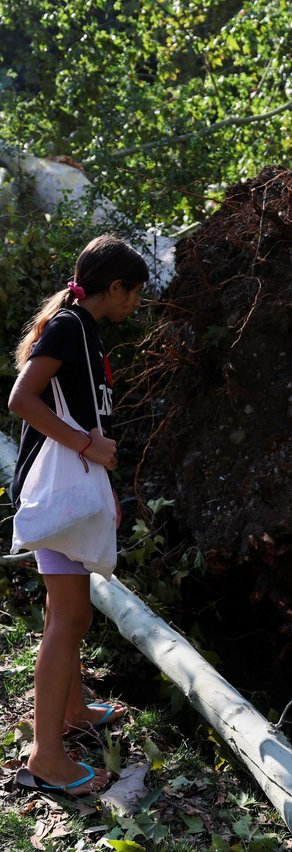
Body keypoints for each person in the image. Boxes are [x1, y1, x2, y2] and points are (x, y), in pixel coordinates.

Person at [9, 234, 148, 796]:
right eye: (134, 293)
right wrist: (89, 450)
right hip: (58, 489)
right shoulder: (70, 327)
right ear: (114, 287)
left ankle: (71, 709)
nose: (135, 304)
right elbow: (22, 399)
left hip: (78, 488)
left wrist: (103, 481)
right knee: (70, 619)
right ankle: (47, 757)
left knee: (66, 613)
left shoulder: (84, 332)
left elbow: (88, 420)